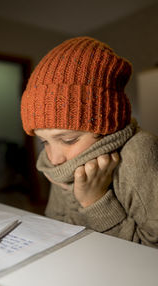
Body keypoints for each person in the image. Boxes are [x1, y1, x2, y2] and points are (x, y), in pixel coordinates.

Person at [21, 36, 158, 248]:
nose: (54, 158)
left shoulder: (140, 152)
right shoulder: (60, 163)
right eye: (44, 142)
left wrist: (94, 201)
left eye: (68, 139)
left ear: (107, 127)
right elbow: (56, 227)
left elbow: (150, 254)